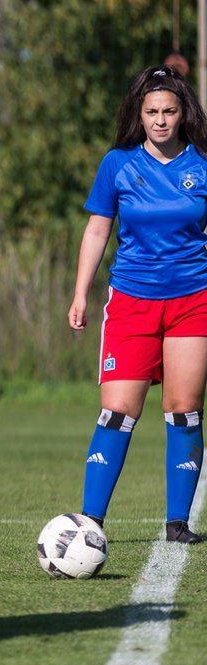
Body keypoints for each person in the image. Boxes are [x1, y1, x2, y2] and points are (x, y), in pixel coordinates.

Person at [69, 65, 207, 544]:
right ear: (139, 114)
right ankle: (90, 522)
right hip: (131, 303)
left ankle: (177, 524)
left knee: (184, 410)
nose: (161, 120)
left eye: (169, 111)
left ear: (183, 113)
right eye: (152, 112)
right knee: (117, 412)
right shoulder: (118, 164)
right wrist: (81, 291)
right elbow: (97, 228)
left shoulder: (203, 165)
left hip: (193, 302)